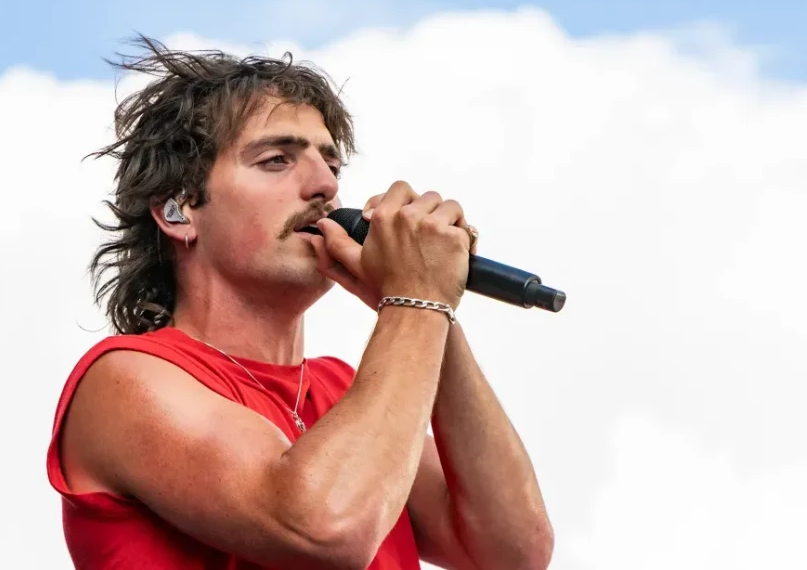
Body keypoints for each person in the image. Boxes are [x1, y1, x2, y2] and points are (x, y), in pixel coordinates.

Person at [46, 35, 553, 570]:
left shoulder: (344, 391)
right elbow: (324, 526)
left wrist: (429, 300)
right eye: (276, 160)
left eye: (332, 163)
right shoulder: (124, 380)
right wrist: (416, 301)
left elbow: (512, 551)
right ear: (178, 210)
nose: (325, 185)